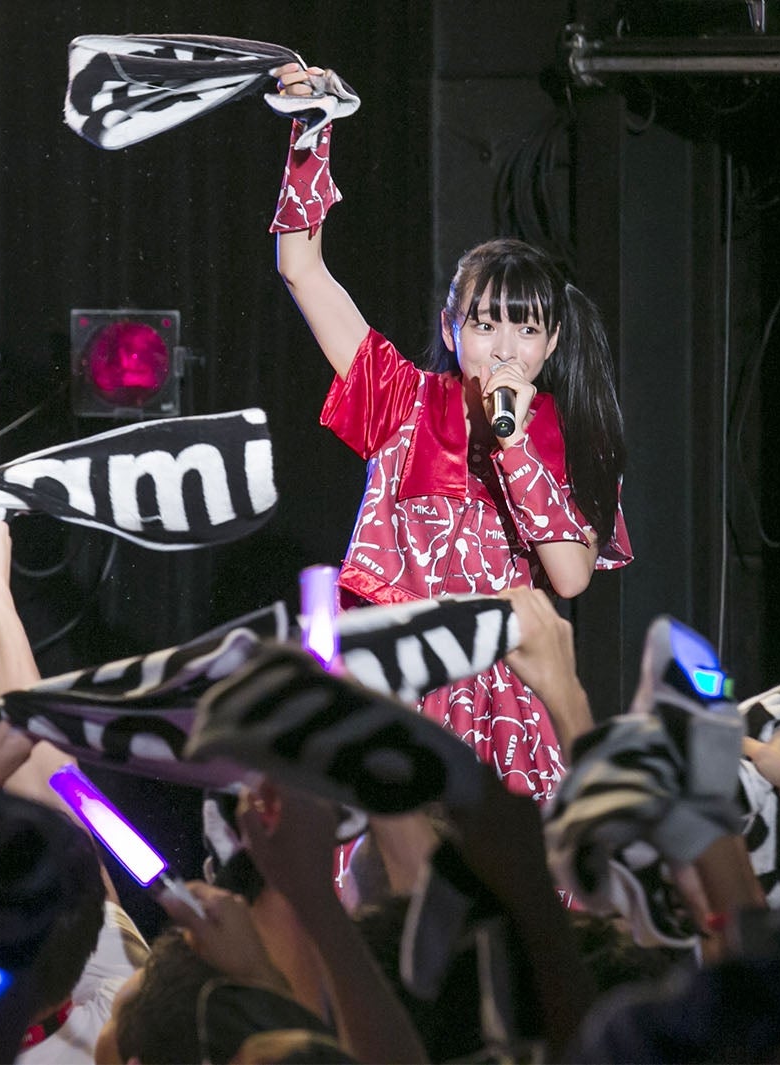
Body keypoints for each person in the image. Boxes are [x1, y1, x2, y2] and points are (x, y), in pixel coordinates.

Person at [270, 64, 632, 802]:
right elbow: (302, 269)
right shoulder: (400, 401)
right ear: (450, 327)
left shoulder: (572, 436)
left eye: (525, 330)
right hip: (395, 688)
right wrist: (312, 133)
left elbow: (569, 577)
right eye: (485, 324)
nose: (504, 349)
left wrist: (515, 445)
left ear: (551, 343)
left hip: (503, 704)